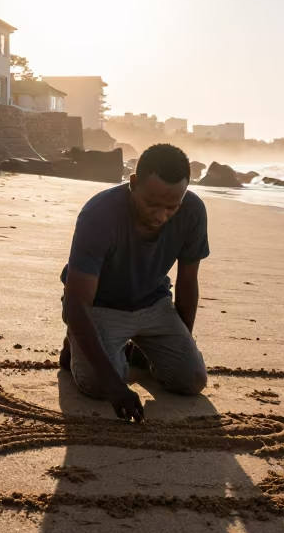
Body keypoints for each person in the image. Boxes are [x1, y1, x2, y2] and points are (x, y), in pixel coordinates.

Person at [60, 142, 210, 422]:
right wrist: (116, 388)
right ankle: (74, 345)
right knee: (99, 386)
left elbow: (188, 282)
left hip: (153, 302)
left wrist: (181, 343)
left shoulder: (193, 211)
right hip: (101, 305)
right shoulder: (99, 214)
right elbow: (77, 302)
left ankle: (135, 349)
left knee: (191, 381)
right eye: (151, 203)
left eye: (171, 207)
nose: (160, 215)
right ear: (133, 183)